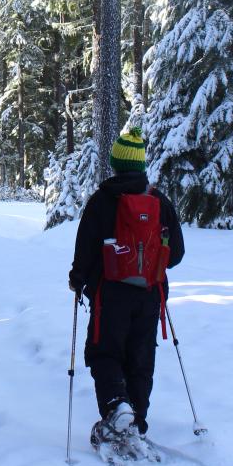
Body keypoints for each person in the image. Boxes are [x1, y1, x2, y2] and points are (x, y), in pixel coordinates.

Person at [68, 127, 184, 449]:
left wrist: (78, 279)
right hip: (150, 295)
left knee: (104, 351)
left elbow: (85, 249)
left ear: (116, 164)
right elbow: (176, 254)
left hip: (109, 295)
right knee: (141, 357)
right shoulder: (159, 201)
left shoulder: (102, 200)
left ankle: (117, 406)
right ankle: (137, 420)